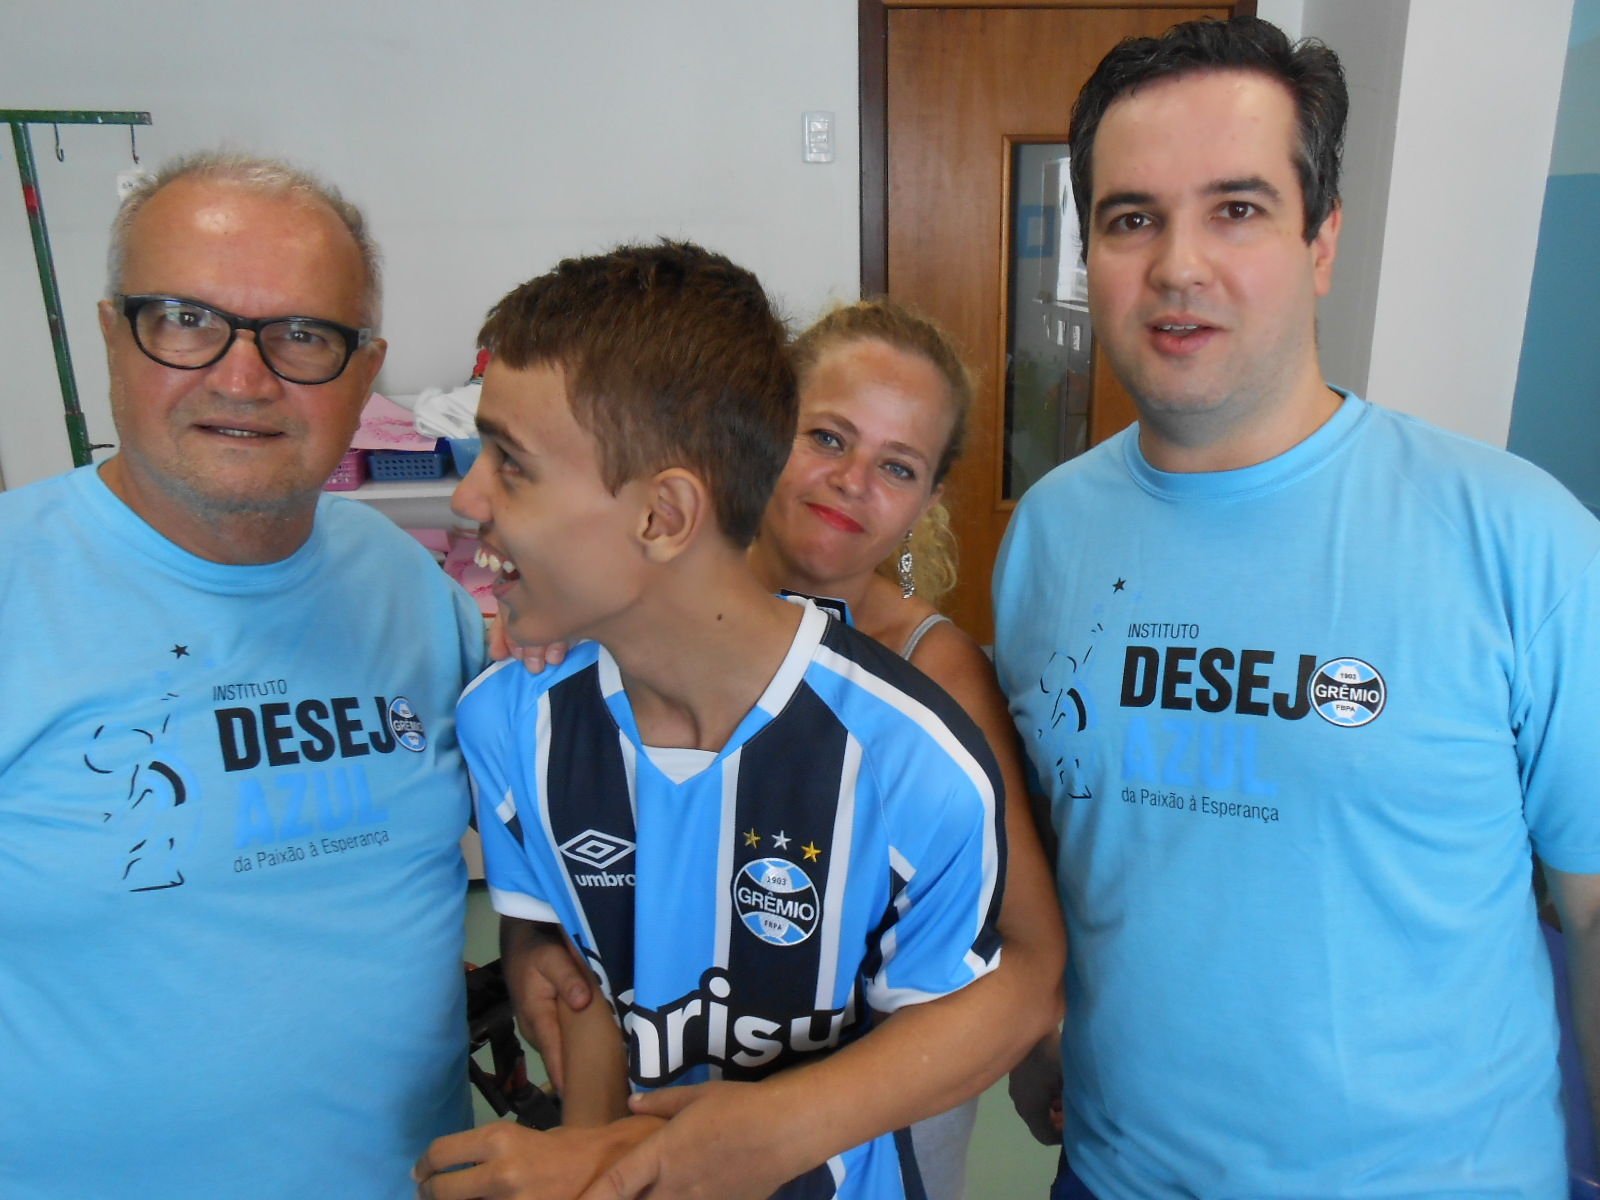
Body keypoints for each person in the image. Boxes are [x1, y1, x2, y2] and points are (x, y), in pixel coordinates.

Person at [993, 15, 1600, 1200]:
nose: (1176, 266)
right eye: (1131, 218)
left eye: (1236, 208)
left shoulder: (1520, 539)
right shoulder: (1049, 535)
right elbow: (1078, 846)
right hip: (1115, 1176)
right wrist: (1037, 1022)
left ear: (1321, 240)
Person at [412, 244, 1062, 1200]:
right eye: (829, 438)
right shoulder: (532, 699)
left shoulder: (918, 725)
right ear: (764, 431)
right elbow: (575, 956)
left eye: (897, 466)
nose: (849, 483)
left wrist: (756, 1132)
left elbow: (1022, 964)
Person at [0, 153, 485, 1200]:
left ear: (366, 371)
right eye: (185, 318)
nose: (242, 377)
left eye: (302, 335)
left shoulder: (414, 590)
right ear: (109, 334)